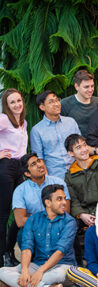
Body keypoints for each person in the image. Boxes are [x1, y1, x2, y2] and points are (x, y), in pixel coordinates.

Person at [0, 185, 76, 287]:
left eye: (64, 198)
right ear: (48, 202)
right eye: (59, 199)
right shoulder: (33, 219)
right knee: (2, 271)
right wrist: (25, 270)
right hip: (38, 264)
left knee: (59, 275)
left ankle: (14, 285)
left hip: (61, 265)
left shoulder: (69, 222)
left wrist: (40, 272)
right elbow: (27, 247)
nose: (64, 202)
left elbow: (60, 252)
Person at [12, 153, 70, 248]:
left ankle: (74, 259)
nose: (39, 165)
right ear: (27, 173)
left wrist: (34, 218)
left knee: (68, 226)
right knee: (23, 233)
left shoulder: (58, 182)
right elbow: (20, 221)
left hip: (57, 224)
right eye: (33, 164)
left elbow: (66, 211)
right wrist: (45, 220)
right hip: (35, 228)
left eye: (39, 160)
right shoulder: (20, 190)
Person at [0, 89, 28, 267]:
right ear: (6, 105)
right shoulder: (3, 119)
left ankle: (9, 250)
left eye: (19, 100)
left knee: (19, 213)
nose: (17, 104)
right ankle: (2, 256)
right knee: (3, 214)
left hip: (20, 168)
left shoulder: (23, 123)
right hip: (6, 168)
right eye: (12, 102)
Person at [30, 90, 80, 179]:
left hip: (77, 172)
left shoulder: (71, 122)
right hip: (55, 176)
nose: (56, 104)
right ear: (42, 107)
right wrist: (47, 180)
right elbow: (39, 159)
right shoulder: (37, 130)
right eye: (51, 102)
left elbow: (80, 146)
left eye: (57, 100)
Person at [64, 134, 98, 227]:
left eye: (85, 145)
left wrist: (97, 213)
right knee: (70, 225)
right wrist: (81, 214)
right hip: (84, 215)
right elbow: (74, 201)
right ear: (71, 153)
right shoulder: (69, 176)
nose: (84, 149)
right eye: (79, 147)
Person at [60, 69, 98, 137]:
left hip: (97, 143)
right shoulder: (65, 104)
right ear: (76, 86)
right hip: (75, 145)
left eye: (92, 86)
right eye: (86, 87)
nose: (90, 90)